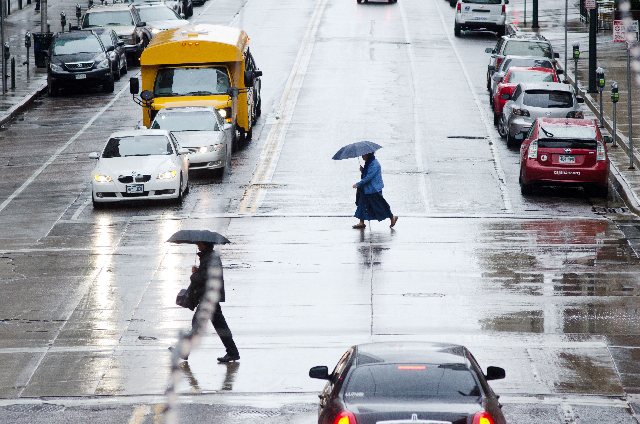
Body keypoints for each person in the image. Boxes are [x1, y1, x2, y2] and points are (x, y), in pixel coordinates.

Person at [171, 241, 240, 362]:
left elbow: (203, 277)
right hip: (210, 297)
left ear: (205, 244)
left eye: (200, 243)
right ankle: (232, 352)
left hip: (208, 297)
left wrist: (194, 274)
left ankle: (185, 352)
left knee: (198, 325)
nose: (198, 244)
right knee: (219, 326)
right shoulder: (208, 257)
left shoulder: (209, 258)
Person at [353, 153, 398, 229]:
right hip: (367, 188)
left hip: (373, 189)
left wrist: (358, 184)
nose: (362, 156)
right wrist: (363, 170)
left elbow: (369, 177)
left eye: (363, 155)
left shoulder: (374, 164)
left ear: (367, 155)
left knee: (379, 205)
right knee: (362, 204)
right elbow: (367, 174)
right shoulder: (369, 163)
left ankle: (392, 217)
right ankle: (361, 222)